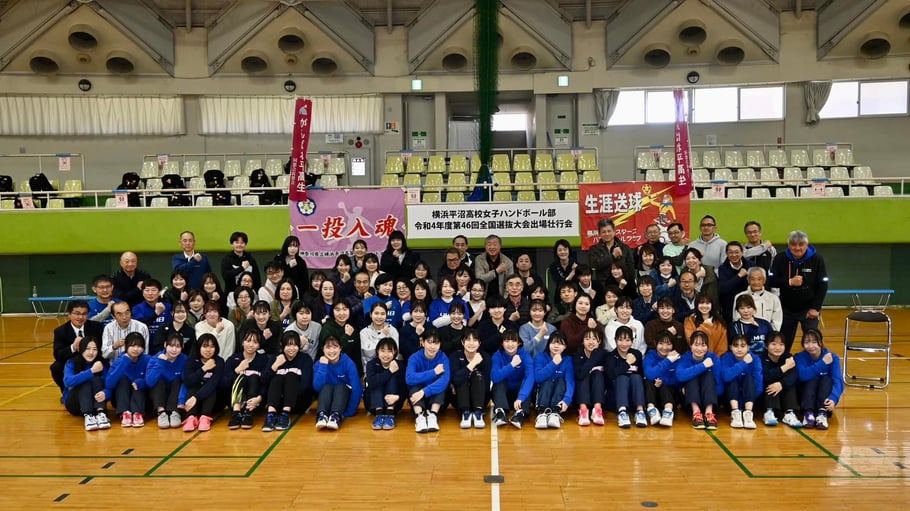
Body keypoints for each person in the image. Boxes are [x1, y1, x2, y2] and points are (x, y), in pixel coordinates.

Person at [769, 230, 829, 353]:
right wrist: (789, 282)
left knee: (813, 341)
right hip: (786, 309)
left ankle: (818, 362)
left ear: (807, 245)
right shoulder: (780, 258)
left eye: (801, 244)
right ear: (788, 245)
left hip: (808, 309)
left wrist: (815, 308)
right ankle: (783, 363)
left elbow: (823, 285)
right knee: (783, 342)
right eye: (793, 244)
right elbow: (771, 281)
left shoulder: (817, 259)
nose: (797, 248)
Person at [261, 331, 314, 432]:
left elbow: (306, 385)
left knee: (291, 375)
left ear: (299, 346)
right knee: (277, 377)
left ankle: (285, 415)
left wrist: (289, 394)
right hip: (277, 402)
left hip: (297, 402)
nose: (291, 348)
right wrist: (275, 366)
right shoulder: (276, 358)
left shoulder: (305, 359)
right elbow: (264, 380)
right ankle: (271, 415)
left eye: (294, 345)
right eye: (288, 345)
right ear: (282, 345)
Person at [794, 329, 843, 430]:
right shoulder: (799, 357)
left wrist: (834, 398)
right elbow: (802, 375)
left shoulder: (832, 357)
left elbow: (838, 380)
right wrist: (822, 363)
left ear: (821, 342)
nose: (811, 346)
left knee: (826, 379)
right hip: (806, 397)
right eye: (807, 342)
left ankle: (822, 413)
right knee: (810, 379)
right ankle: (808, 414)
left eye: (814, 342)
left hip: (824, 396)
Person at [51, 300, 103, 394]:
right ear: (69, 314)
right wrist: (73, 347)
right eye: (77, 313)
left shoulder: (96, 327)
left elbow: (101, 347)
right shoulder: (60, 331)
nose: (80, 317)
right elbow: (58, 355)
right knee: (56, 367)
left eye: (84, 314)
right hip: (73, 360)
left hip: (93, 359)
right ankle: (66, 392)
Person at [676, 331, 723, 430]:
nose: (699, 349)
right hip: (689, 400)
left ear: (707, 347)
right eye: (696, 345)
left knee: (708, 375)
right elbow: (680, 376)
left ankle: (709, 413)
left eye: (703, 345)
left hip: (710, 399)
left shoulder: (713, 358)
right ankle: (696, 413)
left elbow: (719, 387)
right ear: (690, 345)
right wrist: (703, 365)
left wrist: (705, 391)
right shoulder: (685, 358)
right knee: (691, 376)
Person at [312, 335, 362, 430]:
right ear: (323, 349)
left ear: (340, 348)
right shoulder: (319, 364)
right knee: (326, 387)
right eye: (328, 347)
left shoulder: (348, 363)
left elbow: (357, 389)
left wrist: (349, 412)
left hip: (343, 401)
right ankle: (322, 415)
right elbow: (317, 388)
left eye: (335, 347)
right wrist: (323, 367)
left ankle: (336, 416)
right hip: (326, 402)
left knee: (340, 386)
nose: (332, 351)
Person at [222, 330, 268, 430]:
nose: (251, 345)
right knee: (241, 376)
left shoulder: (264, 360)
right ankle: (236, 414)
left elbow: (266, 383)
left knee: (254, 376)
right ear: (242, 342)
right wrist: (237, 370)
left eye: (255, 342)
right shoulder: (233, 359)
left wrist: (259, 398)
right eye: (248, 341)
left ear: (259, 345)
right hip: (235, 402)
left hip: (256, 402)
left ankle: (248, 413)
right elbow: (223, 384)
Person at [62, 337, 111, 431]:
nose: (91, 352)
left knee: (97, 380)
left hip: (95, 403)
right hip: (75, 404)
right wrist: (91, 371)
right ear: (81, 349)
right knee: (86, 381)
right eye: (87, 349)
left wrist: (106, 393)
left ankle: (100, 414)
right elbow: (67, 382)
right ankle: (88, 416)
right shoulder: (72, 362)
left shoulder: (101, 363)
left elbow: (109, 384)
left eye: (94, 349)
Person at [406, 331, 450, 433]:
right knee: (414, 385)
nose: (432, 347)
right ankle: (419, 417)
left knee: (440, 385)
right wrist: (433, 372)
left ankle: (433, 416)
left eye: (436, 343)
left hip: (436, 401)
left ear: (440, 344)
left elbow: (444, 381)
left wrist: (423, 392)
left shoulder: (443, 358)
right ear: (422, 342)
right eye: (429, 342)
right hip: (417, 398)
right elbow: (409, 378)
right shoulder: (414, 357)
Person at [490, 329, 534, 429]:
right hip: (504, 396)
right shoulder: (497, 355)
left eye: (513, 341)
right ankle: (501, 413)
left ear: (519, 343)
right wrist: (512, 365)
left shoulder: (525, 355)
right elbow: (494, 377)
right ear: (502, 343)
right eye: (507, 341)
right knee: (499, 381)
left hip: (520, 398)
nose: (510, 344)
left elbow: (530, 377)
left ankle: (520, 414)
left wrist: (521, 397)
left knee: (527, 383)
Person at [105, 332, 151, 427]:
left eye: (139, 346)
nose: (136, 349)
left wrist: (141, 383)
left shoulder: (148, 360)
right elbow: (109, 383)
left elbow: (152, 379)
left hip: (142, 400)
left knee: (138, 382)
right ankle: (125, 414)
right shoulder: (119, 360)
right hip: (121, 399)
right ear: (126, 346)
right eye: (132, 346)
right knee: (122, 379)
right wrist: (124, 362)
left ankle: (137, 414)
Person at [180, 333, 224, 432]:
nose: (208, 350)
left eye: (212, 346)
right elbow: (188, 381)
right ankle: (191, 417)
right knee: (193, 385)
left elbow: (213, 383)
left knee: (210, 387)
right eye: (204, 346)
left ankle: (205, 417)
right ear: (199, 347)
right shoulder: (191, 360)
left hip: (212, 401)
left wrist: (196, 397)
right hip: (193, 402)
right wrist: (204, 369)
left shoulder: (219, 361)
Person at [608, 326, 649, 428]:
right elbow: (610, 375)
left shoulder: (637, 354)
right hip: (617, 397)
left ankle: (640, 411)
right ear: (615, 340)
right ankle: (622, 413)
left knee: (636, 377)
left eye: (627, 340)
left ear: (632, 341)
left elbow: (642, 374)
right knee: (622, 378)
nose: (624, 344)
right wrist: (627, 363)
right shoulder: (611, 356)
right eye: (620, 340)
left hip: (634, 396)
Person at [449, 329, 491, 429]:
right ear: (462, 342)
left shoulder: (485, 357)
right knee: (462, 377)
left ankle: (478, 414)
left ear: (479, 343)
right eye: (468, 340)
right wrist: (472, 364)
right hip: (459, 399)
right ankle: (466, 414)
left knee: (476, 374)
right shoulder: (455, 356)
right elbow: (455, 379)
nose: (471, 343)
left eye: (475, 340)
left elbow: (486, 385)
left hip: (481, 399)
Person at [146, 332, 188, 429]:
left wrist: (181, 400)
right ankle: (161, 412)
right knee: (158, 380)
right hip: (159, 394)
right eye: (171, 346)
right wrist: (160, 363)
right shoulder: (155, 359)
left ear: (182, 347)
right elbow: (149, 382)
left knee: (178, 380)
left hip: (176, 397)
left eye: (178, 346)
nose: (174, 349)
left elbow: (186, 381)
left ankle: (175, 413)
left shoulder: (185, 360)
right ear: (165, 344)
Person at [720, 335, 763, 429]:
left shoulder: (755, 359)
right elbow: (726, 377)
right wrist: (744, 363)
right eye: (736, 346)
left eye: (743, 346)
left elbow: (758, 386)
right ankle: (736, 414)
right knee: (732, 378)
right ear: (731, 347)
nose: (739, 349)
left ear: (748, 347)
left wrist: (744, 403)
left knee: (749, 377)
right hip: (731, 401)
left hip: (749, 401)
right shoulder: (726, 357)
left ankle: (748, 415)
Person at [533, 331, 574, 429]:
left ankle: (555, 413)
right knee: (548, 380)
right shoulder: (540, 356)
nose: (556, 346)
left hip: (558, 396)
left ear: (565, 346)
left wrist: (567, 399)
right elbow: (538, 378)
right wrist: (554, 363)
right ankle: (542, 413)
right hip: (542, 393)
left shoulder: (568, 359)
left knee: (561, 381)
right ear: (548, 344)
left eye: (560, 343)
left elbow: (570, 381)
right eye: (553, 342)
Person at [760, 332, 801, 428]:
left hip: (783, 391)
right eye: (773, 344)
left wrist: (781, 384)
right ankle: (769, 412)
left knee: (790, 385)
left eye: (781, 344)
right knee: (770, 382)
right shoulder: (761, 358)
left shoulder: (788, 357)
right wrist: (785, 367)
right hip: (765, 395)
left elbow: (793, 375)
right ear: (766, 346)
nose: (777, 348)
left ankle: (789, 413)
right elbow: (766, 376)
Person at [643, 330, 683, 427]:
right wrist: (668, 360)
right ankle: (652, 410)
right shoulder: (650, 356)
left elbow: (678, 379)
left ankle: (668, 412)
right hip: (653, 394)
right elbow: (649, 374)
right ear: (655, 344)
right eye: (661, 343)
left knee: (667, 386)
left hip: (670, 396)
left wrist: (663, 381)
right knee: (648, 381)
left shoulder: (677, 358)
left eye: (668, 344)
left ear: (673, 345)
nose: (664, 347)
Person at [364, 337, 405, 430]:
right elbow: (371, 383)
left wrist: (398, 397)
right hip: (374, 405)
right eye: (383, 351)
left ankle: (390, 415)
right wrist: (389, 371)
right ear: (377, 351)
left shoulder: (400, 365)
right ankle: (379, 415)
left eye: (389, 351)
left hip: (394, 404)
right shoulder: (371, 364)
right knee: (377, 380)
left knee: (392, 377)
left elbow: (404, 387)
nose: (386, 355)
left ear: (395, 352)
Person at [574, 328, 608, 426]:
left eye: (594, 339)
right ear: (582, 341)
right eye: (587, 339)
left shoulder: (604, 354)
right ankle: (583, 411)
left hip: (599, 390)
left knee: (597, 373)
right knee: (583, 376)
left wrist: (597, 353)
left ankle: (597, 410)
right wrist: (594, 357)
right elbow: (579, 374)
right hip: (582, 391)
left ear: (599, 341)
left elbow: (610, 375)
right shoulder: (578, 355)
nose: (591, 342)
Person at [588, 218, 635, 287]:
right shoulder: (594, 249)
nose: (607, 234)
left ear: (614, 232)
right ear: (599, 233)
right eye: (603, 232)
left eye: (609, 231)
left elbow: (630, 268)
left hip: (622, 284)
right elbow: (593, 265)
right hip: (602, 285)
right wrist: (612, 256)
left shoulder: (625, 248)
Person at [717, 241, 752, 324]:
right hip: (730, 307)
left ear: (742, 252)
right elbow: (723, 288)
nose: (734, 255)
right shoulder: (722, 268)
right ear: (727, 254)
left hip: (748, 306)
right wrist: (739, 276)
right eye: (731, 252)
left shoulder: (750, 265)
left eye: (736, 252)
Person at [360, 302, 400, 372]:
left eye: (382, 314)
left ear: (386, 315)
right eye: (376, 313)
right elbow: (369, 354)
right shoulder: (364, 332)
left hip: (390, 369)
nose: (379, 317)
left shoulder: (392, 330)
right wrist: (382, 335)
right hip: (370, 370)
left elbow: (394, 353)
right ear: (370, 314)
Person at [474, 234, 514, 298]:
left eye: (495, 244)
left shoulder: (507, 262)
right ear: (485, 246)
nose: (492, 247)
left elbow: (510, 283)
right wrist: (496, 271)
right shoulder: (479, 259)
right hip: (482, 298)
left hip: (501, 298)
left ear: (500, 246)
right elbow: (479, 279)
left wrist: (505, 299)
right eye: (489, 244)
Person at [547, 239, 577, 304]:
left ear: (569, 251)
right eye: (560, 250)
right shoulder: (553, 266)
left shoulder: (576, 264)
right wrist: (572, 273)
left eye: (565, 249)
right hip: (560, 296)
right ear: (556, 252)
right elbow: (560, 284)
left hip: (575, 296)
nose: (563, 252)